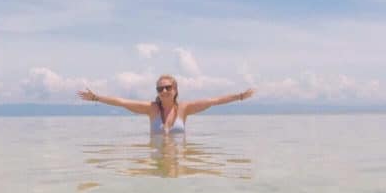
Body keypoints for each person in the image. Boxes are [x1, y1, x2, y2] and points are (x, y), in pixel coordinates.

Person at [77, 75, 255, 134]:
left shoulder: (184, 109)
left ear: (175, 89)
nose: (163, 91)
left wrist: (239, 96)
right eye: (160, 88)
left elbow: (214, 101)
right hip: (156, 155)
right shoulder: (151, 109)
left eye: (167, 87)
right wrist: (96, 98)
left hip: (179, 157)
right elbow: (122, 102)